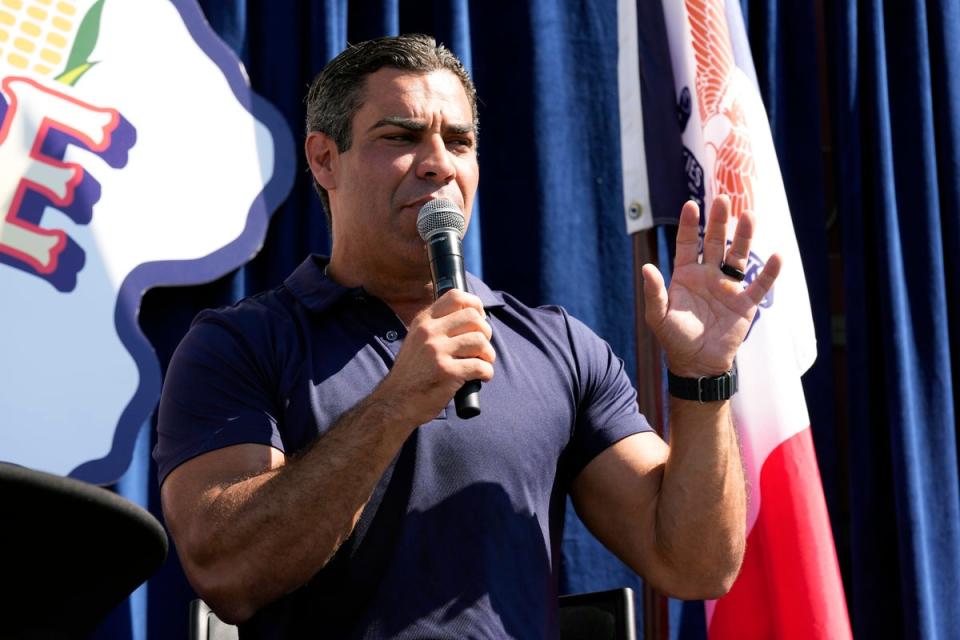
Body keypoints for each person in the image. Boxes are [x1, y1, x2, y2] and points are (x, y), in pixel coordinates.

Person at [154, 34, 780, 639]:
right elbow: (227, 571)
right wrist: (396, 404)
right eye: (399, 137)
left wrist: (702, 379)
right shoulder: (239, 344)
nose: (437, 164)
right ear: (324, 159)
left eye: (459, 142)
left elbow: (696, 566)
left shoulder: (559, 347)